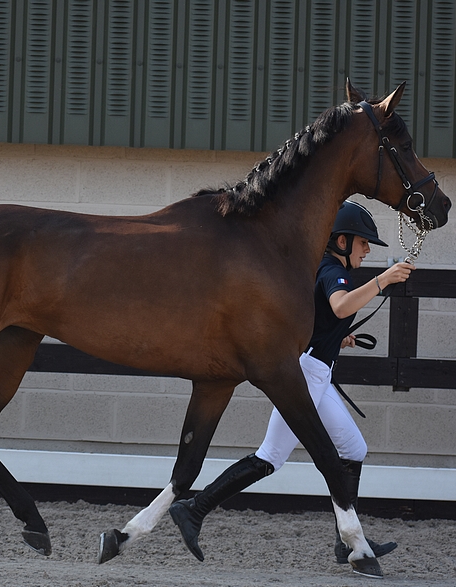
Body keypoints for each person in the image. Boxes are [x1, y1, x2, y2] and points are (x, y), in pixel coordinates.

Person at [169, 200, 415, 566]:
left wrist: (337, 338)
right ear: (342, 241)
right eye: (363, 243)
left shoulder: (326, 268)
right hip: (307, 377)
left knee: (353, 448)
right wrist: (383, 280)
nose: (367, 250)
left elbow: (322, 317)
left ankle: (345, 542)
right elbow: (341, 306)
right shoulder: (335, 272)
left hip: (318, 373)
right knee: (270, 457)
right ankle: (195, 508)